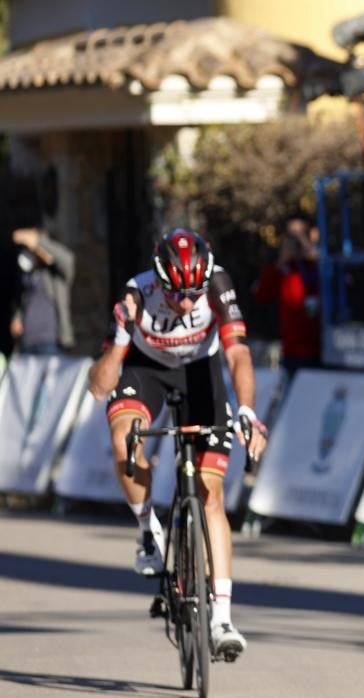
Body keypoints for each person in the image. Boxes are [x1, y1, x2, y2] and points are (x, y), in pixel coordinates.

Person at [86, 229, 269, 658]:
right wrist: (121, 338)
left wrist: (246, 411)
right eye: (176, 294)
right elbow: (99, 387)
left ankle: (221, 619)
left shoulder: (218, 284)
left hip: (200, 373)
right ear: (159, 280)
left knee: (211, 495)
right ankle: (147, 529)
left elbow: (238, 354)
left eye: (194, 294)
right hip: (146, 369)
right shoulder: (137, 292)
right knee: (124, 442)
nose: (186, 304)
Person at [253, 214, 322, 373]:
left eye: (301, 234)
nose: (296, 240)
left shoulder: (321, 263)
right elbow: (261, 295)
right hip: (293, 350)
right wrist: (280, 263)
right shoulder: (281, 267)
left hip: (321, 346)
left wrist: (313, 256)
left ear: (312, 234)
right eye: (292, 236)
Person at [9, 226, 75, 355]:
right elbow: (21, 302)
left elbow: (67, 259)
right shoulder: (27, 273)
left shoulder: (55, 274)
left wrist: (37, 242)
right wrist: (17, 318)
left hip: (50, 341)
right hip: (26, 341)